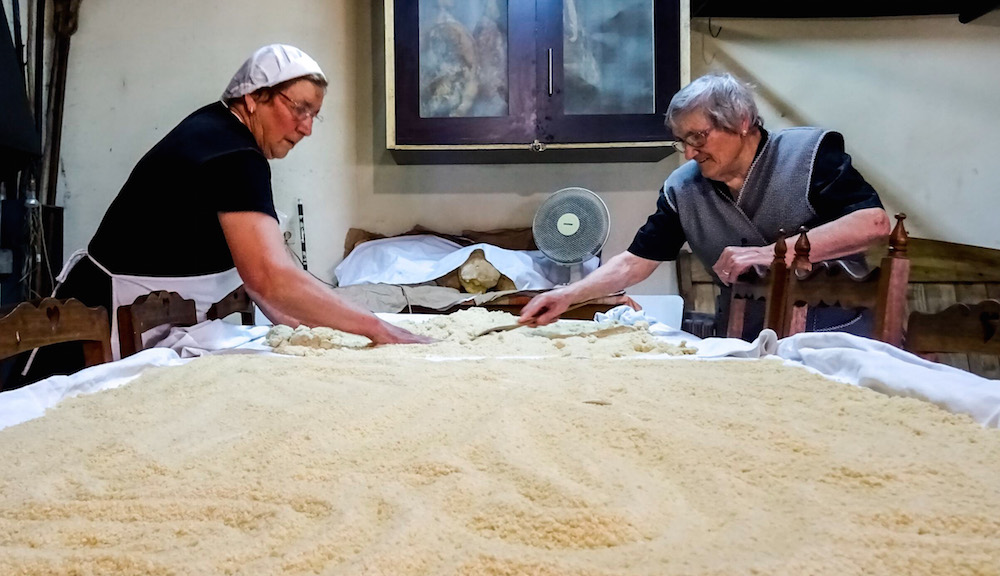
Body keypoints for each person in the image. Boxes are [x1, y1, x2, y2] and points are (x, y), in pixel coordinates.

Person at [25, 44, 429, 383]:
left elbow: (275, 289)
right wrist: (376, 328)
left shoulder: (223, 135)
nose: (307, 128)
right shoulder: (232, 154)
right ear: (254, 97)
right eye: (299, 109)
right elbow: (270, 280)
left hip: (139, 318)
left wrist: (333, 324)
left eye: (313, 115)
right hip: (97, 335)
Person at [519, 72, 890, 337]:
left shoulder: (808, 155)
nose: (690, 153)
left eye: (698, 137)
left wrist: (767, 255)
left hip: (839, 337)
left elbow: (872, 224)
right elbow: (635, 262)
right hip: (746, 340)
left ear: (742, 121)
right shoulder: (684, 189)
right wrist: (566, 296)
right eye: (683, 141)